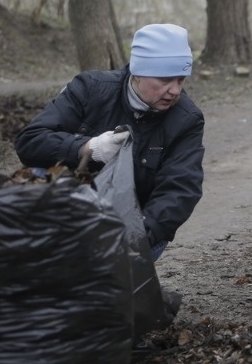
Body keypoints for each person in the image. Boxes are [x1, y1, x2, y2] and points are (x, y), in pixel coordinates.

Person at [15, 23, 205, 262]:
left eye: (181, 80)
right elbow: (30, 141)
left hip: (130, 225)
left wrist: (135, 237)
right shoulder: (90, 89)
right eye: (166, 79)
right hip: (68, 208)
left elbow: (179, 190)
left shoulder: (186, 119)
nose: (175, 90)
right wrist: (87, 149)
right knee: (35, 176)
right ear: (139, 71)